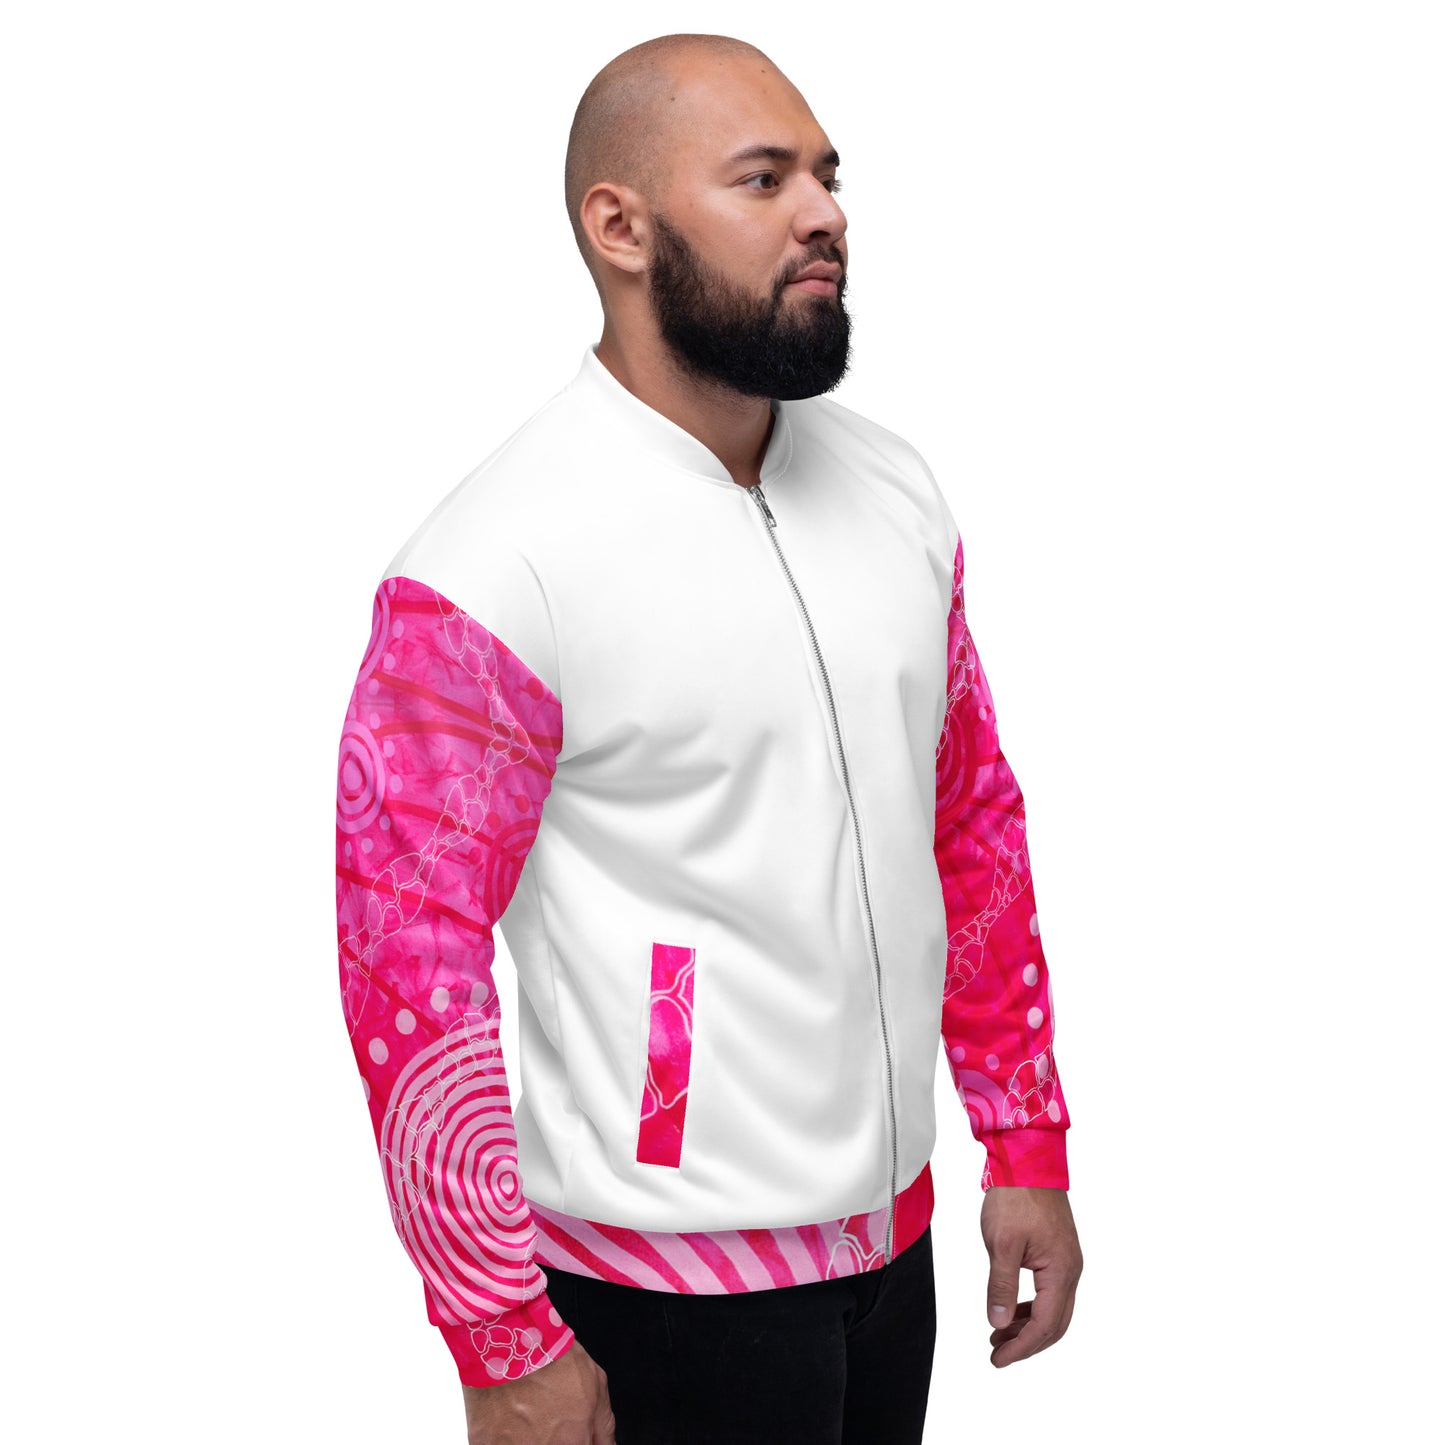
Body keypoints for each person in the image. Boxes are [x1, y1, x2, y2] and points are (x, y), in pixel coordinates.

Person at [334, 32, 1083, 1445]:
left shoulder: (896, 493)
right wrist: (499, 1335)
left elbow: (968, 818)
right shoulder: (493, 566)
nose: (824, 213)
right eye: (763, 178)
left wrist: (1022, 1140)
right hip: (657, 1290)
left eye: (827, 176)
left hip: (894, 1254)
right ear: (618, 227)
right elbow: (408, 960)